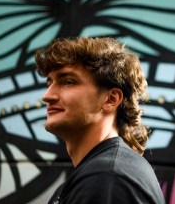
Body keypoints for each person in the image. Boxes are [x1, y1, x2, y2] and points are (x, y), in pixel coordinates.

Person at [35, 37, 165, 204]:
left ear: (111, 99)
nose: (47, 96)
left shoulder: (107, 177)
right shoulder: (102, 172)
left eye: (68, 82)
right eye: (49, 83)